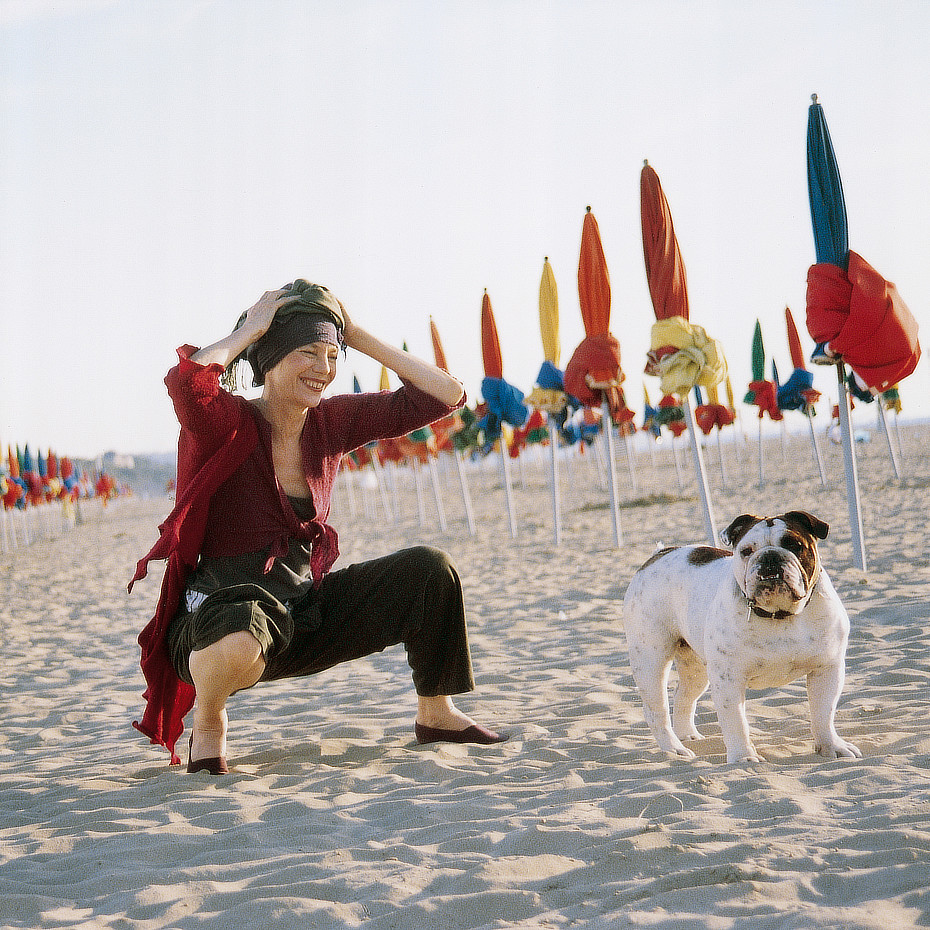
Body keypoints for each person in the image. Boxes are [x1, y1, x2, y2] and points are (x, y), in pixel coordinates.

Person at [130, 281, 506, 773]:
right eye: (309, 352)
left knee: (428, 571)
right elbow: (187, 382)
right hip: (220, 616)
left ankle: (436, 712)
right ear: (270, 359)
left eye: (332, 355)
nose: (324, 369)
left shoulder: (331, 422)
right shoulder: (226, 421)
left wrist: (359, 336)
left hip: (299, 611)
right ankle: (211, 720)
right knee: (239, 634)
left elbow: (445, 396)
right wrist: (250, 329)